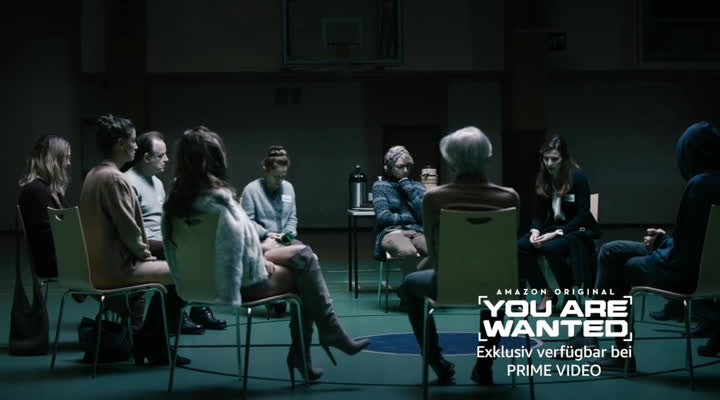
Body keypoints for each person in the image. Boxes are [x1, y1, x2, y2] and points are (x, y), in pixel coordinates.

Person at [162, 126, 369, 381]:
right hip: (236, 285)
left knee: (302, 255)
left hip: (192, 286)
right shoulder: (222, 203)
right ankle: (319, 340)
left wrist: (264, 250)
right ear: (212, 162)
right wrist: (262, 255)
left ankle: (316, 344)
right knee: (305, 268)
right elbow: (243, 256)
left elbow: (177, 253)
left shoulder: (172, 205)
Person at [568, 121, 720, 368]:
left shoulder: (700, 186)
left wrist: (657, 246)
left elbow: (681, 258)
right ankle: (589, 334)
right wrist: (663, 241)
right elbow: (698, 244)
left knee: (619, 262)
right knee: (612, 250)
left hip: (685, 276)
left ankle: (617, 351)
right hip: (711, 274)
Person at [401, 127, 519, 384]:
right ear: (487, 157)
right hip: (496, 285)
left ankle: (437, 362)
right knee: (497, 284)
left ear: (450, 161)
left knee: (410, 285)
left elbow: (434, 251)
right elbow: (507, 250)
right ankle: (484, 366)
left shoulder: (434, 198)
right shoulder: (509, 198)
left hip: (448, 284)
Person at [80, 114, 189, 366]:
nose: (136, 146)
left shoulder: (93, 175)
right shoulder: (115, 179)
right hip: (114, 270)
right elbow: (130, 232)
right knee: (183, 272)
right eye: (132, 141)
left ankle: (147, 340)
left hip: (93, 266)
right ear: (120, 144)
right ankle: (153, 344)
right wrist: (146, 256)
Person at [125, 131, 225, 332]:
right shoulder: (127, 182)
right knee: (185, 256)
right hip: (146, 243)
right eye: (161, 155)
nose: (167, 159)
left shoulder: (157, 182)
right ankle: (175, 317)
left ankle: (195, 308)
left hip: (164, 239)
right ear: (147, 157)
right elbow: (130, 230)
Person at [517, 135, 600, 311]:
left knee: (550, 248)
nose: (549, 163)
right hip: (553, 228)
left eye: (554, 159)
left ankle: (569, 296)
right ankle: (546, 292)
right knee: (521, 246)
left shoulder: (578, 177)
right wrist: (535, 231)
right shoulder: (542, 179)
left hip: (576, 229)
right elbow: (539, 214)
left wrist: (556, 233)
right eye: (546, 158)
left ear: (564, 159)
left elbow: (583, 215)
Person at [18, 135, 72, 279]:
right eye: (66, 158)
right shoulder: (35, 190)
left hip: (62, 257)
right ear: (52, 159)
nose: (68, 163)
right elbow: (48, 235)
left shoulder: (49, 189)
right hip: (53, 262)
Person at [372, 146, 428, 282]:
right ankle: (414, 287)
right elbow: (383, 217)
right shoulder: (380, 186)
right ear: (390, 168)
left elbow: (424, 216)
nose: (405, 170)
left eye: (408, 166)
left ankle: (414, 284)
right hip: (392, 232)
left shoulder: (418, 186)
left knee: (439, 251)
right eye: (400, 166)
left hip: (417, 232)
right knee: (408, 252)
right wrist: (409, 218)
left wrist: (408, 188)